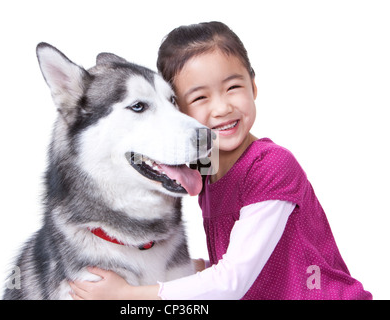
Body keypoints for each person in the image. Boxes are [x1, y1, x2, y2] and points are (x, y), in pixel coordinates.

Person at [69, 21, 372, 300]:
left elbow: (231, 281)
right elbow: (246, 256)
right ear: (177, 113)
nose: (222, 108)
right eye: (200, 98)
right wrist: (188, 267)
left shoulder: (272, 165)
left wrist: (126, 295)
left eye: (233, 87)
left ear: (253, 87)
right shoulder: (206, 168)